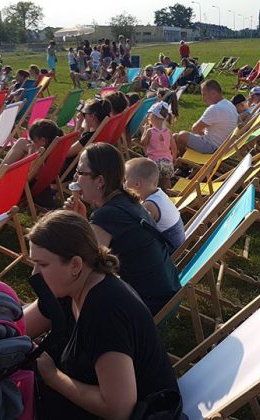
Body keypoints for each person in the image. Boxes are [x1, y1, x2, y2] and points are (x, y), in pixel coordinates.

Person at [24, 210, 180, 419]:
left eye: (43, 264)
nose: (34, 273)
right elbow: (20, 327)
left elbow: (119, 409)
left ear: (75, 265)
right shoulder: (69, 286)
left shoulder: (105, 310)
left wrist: (52, 376)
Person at [64, 143, 180, 314]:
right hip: (165, 293)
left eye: (80, 172)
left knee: (67, 284)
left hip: (147, 307)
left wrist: (74, 224)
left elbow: (83, 268)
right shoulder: (127, 201)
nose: (75, 178)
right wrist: (82, 221)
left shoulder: (107, 215)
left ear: (100, 181)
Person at [124, 158, 185, 250]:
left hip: (171, 249)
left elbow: (137, 230)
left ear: (137, 184)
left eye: (125, 180)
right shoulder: (158, 194)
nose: (124, 184)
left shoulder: (150, 205)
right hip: (178, 241)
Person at [173, 80, 238, 155]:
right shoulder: (230, 105)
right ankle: (177, 158)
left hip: (213, 148)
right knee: (175, 136)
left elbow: (195, 129)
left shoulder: (216, 108)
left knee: (182, 136)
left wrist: (202, 131)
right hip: (223, 147)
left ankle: (181, 159)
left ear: (213, 93)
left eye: (204, 95)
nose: (203, 99)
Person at [139, 101, 177, 190]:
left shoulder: (150, 131)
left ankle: (154, 192)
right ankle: (168, 193)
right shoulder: (168, 132)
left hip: (154, 162)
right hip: (167, 161)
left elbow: (143, 143)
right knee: (166, 180)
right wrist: (173, 159)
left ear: (153, 117)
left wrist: (144, 131)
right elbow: (174, 148)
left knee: (154, 182)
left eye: (150, 115)